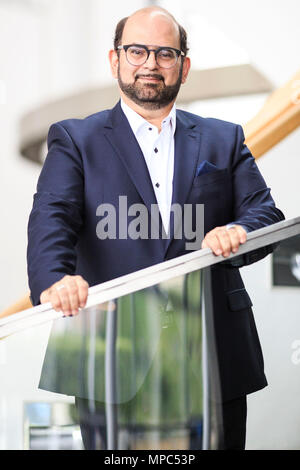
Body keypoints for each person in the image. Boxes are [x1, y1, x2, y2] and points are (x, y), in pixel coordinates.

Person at [27, 6, 284, 450]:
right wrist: (54, 281)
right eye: (137, 51)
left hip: (211, 355)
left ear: (184, 65)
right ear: (115, 61)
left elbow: (265, 214)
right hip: (110, 352)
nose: (150, 63)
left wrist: (236, 232)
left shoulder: (224, 138)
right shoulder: (75, 139)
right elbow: (54, 216)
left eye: (165, 53)